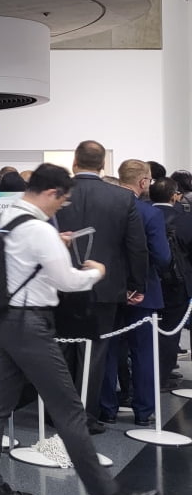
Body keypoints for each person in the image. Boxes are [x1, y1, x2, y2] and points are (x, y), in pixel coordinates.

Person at [0, 163, 158, 495]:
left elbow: (16, 260)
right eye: (62, 201)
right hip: (31, 326)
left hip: (4, 321)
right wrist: (96, 271)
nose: (61, 208)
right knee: (71, 411)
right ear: (52, 193)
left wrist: (54, 246)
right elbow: (67, 281)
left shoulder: (6, 216)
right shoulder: (39, 230)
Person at [55, 140, 148, 433]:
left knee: (61, 352)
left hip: (60, 284)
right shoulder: (122, 199)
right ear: (102, 165)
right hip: (105, 287)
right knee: (94, 356)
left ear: (75, 162)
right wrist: (136, 284)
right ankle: (85, 417)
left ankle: (57, 415)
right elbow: (137, 247)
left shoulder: (56, 193)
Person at [100, 160, 169, 427]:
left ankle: (107, 408)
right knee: (143, 354)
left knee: (107, 350)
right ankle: (143, 411)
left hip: (109, 289)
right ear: (143, 182)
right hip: (145, 291)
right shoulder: (150, 214)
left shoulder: (106, 209)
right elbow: (162, 256)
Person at [150, 177, 192, 383]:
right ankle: (163, 374)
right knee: (170, 329)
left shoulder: (141, 213)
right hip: (177, 282)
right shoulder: (184, 219)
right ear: (174, 196)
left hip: (148, 280)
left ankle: (148, 373)